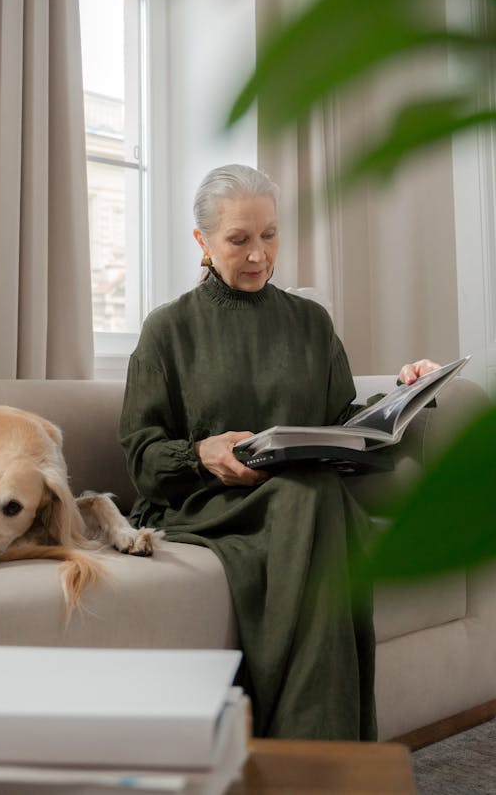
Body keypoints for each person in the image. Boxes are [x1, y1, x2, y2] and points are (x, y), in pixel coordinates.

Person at [118, 163, 439, 740]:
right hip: (209, 506)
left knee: (312, 494)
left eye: (270, 235)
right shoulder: (167, 330)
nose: (258, 255)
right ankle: (326, 752)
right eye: (239, 240)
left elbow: (346, 425)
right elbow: (142, 457)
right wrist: (201, 454)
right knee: (316, 501)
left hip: (300, 500)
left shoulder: (311, 322)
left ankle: (303, 751)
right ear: (203, 242)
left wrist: (406, 393)